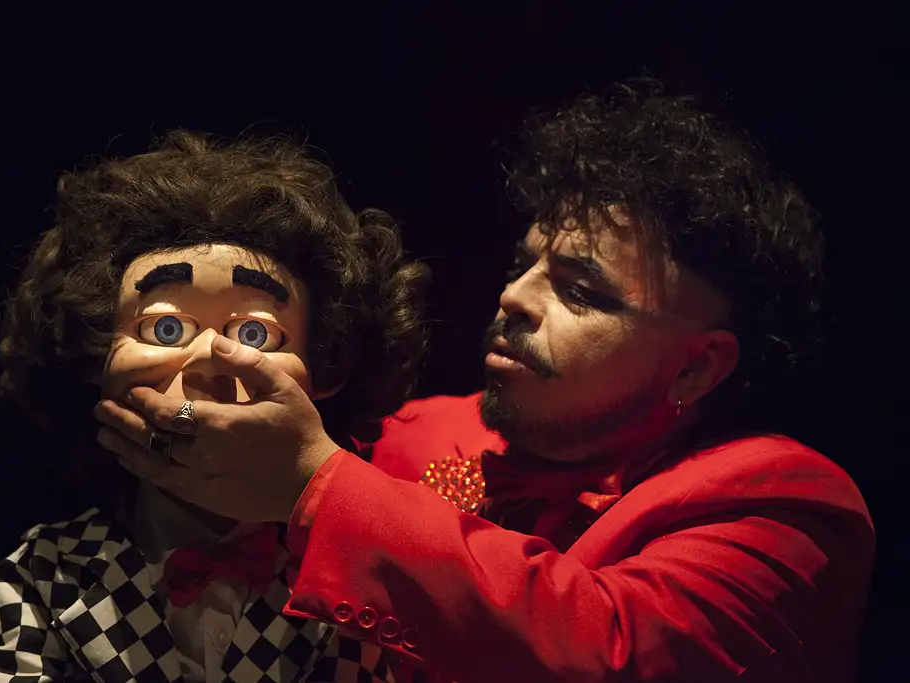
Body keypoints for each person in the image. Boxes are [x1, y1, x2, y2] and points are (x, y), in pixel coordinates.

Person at [96, 80, 874, 682]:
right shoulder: (412, 433)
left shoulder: (789, 507)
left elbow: (616, 655)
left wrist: (317, 485)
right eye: (522, 264)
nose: (514, 297)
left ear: (697, 365)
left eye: (580, 291)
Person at [0, 131, 429, 683]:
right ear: (94, 358)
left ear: (327, 368)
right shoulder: (46, 574)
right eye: (165, 327)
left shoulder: (359, 578)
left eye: (256, 333)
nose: (210, 357)